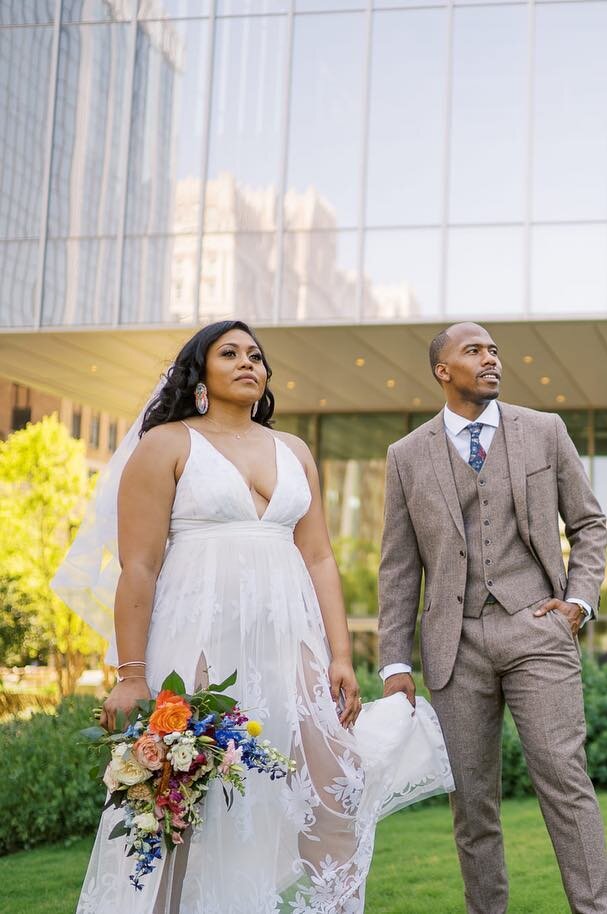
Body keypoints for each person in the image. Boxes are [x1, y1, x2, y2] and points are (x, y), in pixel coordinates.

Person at [57, 320, 452, 913]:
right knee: (182, 801)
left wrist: (340, 656)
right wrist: (132, 674)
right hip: (197, 642)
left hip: (289, 641)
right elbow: (137, 567)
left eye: (256, 355)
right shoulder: (167, 444)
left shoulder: (293, 450)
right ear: (199, 373)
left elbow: (318, 556)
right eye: (230, 353)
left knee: (330, 785)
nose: (249, 363)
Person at [378, 321, 607, 914]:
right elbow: (399, 566)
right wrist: (394, 664)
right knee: (472, 804)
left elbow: (587, 524)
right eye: (474, 351)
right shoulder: (406, 456)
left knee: (565, 783)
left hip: (538, 629)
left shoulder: (543, 431)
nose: (491, 359)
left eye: (494, 350)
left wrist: (577, 604)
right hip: (453, 647)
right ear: (442, 370)